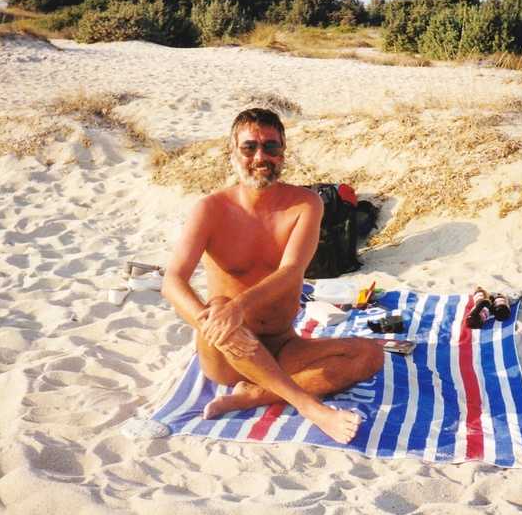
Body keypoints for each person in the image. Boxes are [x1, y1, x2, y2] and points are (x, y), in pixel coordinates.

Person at [161, 107, 384, 445]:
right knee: (220, 304)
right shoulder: (210, 209)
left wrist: (237, 307)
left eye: (271, 146)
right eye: (249, 147)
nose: (260, 156)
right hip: (226, 351)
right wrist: (216, 320)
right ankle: (308, 407)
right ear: (233, 154)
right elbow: (172, 280)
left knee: (370, 354)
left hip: (281, 344)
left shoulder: (307, 204)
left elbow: (292, 270)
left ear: (283, 152)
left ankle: (255, 396)